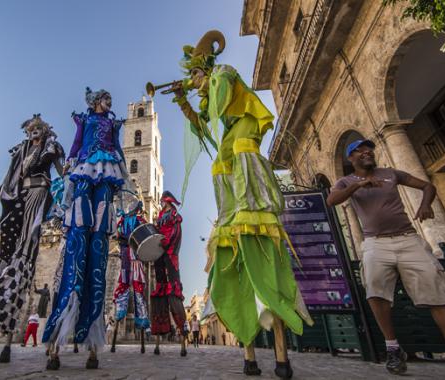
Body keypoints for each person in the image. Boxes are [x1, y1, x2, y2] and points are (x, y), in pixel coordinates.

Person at [170, 30, 313, 378]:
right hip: (230, 198)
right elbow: (204, 123)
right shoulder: (211, 98)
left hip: (248, 153)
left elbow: (219, 94)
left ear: (205, 68)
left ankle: (280, 352)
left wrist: (203, 83)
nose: (194, 82)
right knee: (220, 163)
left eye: (195, 75)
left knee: (238, 151)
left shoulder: (225, 74)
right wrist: (185, 101)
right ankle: (249, 352)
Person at [327, 139, 445, 380]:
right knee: (375, 291)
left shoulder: (391, 173)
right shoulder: (346, 181)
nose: (366, 152)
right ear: (350, 158)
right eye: (359, 151)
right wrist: (359, 185)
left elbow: (427, 186)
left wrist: (425, 205)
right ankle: (393, 347)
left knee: (438, 294)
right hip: (375, 243)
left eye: (369, 149)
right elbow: (332, 200)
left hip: (408, 239)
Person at [0, 114, 64, 363]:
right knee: (5, 252)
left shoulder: (52, 147)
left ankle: (7, 335)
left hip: (37, 198)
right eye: (31, 129)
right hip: (16, 202)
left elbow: (63, 172)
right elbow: (12, 177)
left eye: (38, 128)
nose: (34, 132)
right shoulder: (20, 150)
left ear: (45, 131)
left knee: (24, 253)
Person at [42, 87, 129, 370]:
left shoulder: (113, 125)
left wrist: (123, 172)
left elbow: (116, 147)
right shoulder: (85, 120)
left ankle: (93, 340)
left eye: (110, 99)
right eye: (105, 98)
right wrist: (69, 166)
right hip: (83, 171)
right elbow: (77, 144)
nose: (109, 101)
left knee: (98, 255)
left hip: (107, 173)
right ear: (95, 101)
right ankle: (58, 335)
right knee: (77, 242)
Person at [150, 191, 187, 356]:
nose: (161, 203)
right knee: (160, 289)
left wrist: (167, 244)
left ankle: (183, 337)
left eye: (163, 201)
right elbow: (156, 232)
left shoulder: (174, 215)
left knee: (173, 292)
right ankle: (158, 337)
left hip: (170, 255)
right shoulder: (160, 215)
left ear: (168, 201)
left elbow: (176, 234)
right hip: (159, 255)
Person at [112, 201, 150, 342]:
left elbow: (117, 235)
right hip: (133, 257)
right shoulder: (139, 221)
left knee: (126, 285)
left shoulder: (123, 221)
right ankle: (140, 318)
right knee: (136, 287)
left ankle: (124, 313)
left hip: (128, 257)